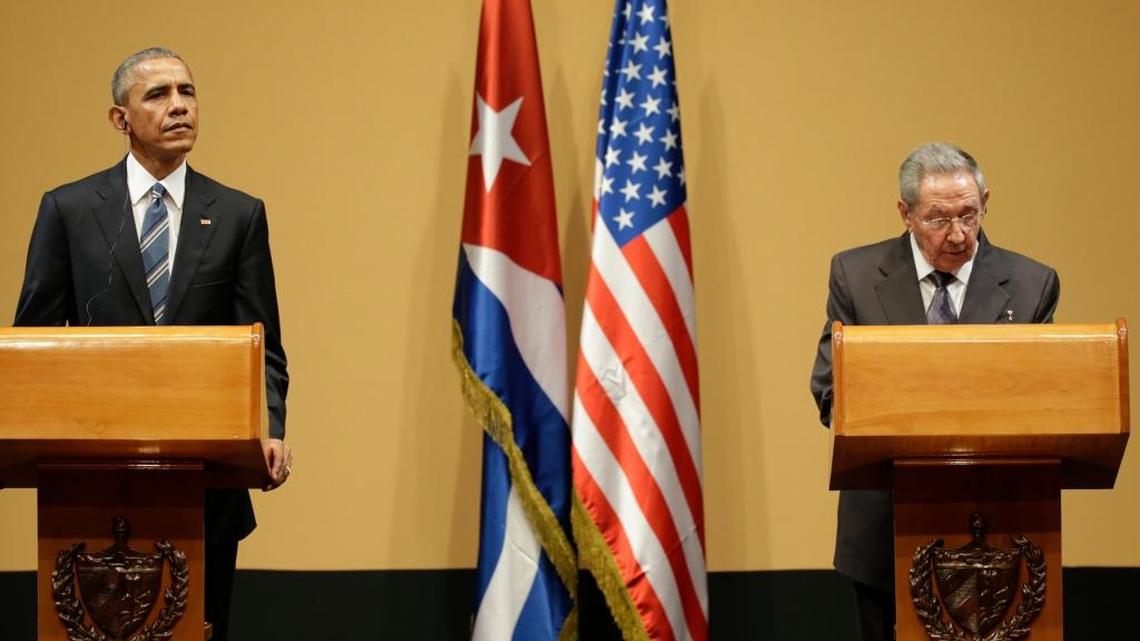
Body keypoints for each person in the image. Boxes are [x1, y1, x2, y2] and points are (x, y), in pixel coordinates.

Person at [13, 47, 293, 641]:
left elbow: (262, 342)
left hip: (207, 481)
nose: (179, 106)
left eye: (187, 92)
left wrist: (269, 428)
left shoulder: (239, 214)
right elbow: (33, 342)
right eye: (158, 95)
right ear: (121, 119)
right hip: (88, 481)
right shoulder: (68, 210)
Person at [809, 142, 1059, 641]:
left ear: (986, 200)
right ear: (906, 213)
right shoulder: (856, 276)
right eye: (938, 218)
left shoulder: (1033, 284)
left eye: (970, 214)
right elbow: (829, 388)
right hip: (883, 526)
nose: (959, 234)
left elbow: (1044, 400)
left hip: (1003, 521)